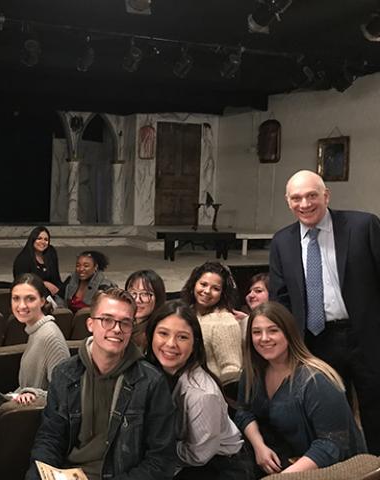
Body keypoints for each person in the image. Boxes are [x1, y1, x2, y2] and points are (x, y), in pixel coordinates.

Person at [269, 169, 380, 454]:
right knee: (330, 415)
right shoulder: (282, 241)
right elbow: (280, 298)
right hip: (316, 341)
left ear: (326, 195)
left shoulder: (363, 226)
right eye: (297, 198)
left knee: (375, 407)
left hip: (366, 335)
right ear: (288, 201)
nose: (304, 204)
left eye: (311, 196)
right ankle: (345, 467)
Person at [26, 288, 177, 480]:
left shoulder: (151, 382)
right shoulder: (64, 373)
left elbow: (161, 460)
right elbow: (50, 438)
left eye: (125, 322)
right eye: (107, 320)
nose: (116, 328)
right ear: (90, 324)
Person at [234, 302, 366, 476]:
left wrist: (283, 478)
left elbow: (332, 444)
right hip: (281, 460)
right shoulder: (253, 372)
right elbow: (244, 411)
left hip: (326, 468)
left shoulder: (316, 380)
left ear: (289, 334)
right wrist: (259, 447)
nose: (264, 338)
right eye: (256, 332)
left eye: (273, 330)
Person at [145, 300, 253, 480]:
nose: (171, 344)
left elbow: (198, 455)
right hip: (180, 454)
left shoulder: (202, 394)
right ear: (151, 335)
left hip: (220, 464)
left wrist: (154, 449)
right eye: (163, 333)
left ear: (195, 343)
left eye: (182, 337)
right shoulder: (152, 371)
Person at [0, 273, 70, 410]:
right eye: (16, 299)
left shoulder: (50, 336)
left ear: (42, 301)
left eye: (30, 299)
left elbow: (64, 394)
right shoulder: (35, 330)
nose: (22, 305)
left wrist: (33, 393)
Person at [181, 261, 242, 386]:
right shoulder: (185, 312)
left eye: (216, 288)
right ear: (194, 284)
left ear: (222, 293)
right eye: (203, 284)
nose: (207, 291)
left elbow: (232, 370)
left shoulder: (225, 323)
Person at [12, 226, 63, 298]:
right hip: (31, 295)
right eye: (39, 239)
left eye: (46, 240)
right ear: (33, 240)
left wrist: (59, 292)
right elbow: (22, 284)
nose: (43, 242)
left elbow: (56, 279)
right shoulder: (23, 259)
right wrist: (43, 284)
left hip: (51, 294)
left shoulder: (51, 253)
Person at [125, 269, 167, 352]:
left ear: (158, 298)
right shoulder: (121, 323)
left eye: (145, 294)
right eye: (133, 293)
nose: (137, 300)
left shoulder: (156, 333)